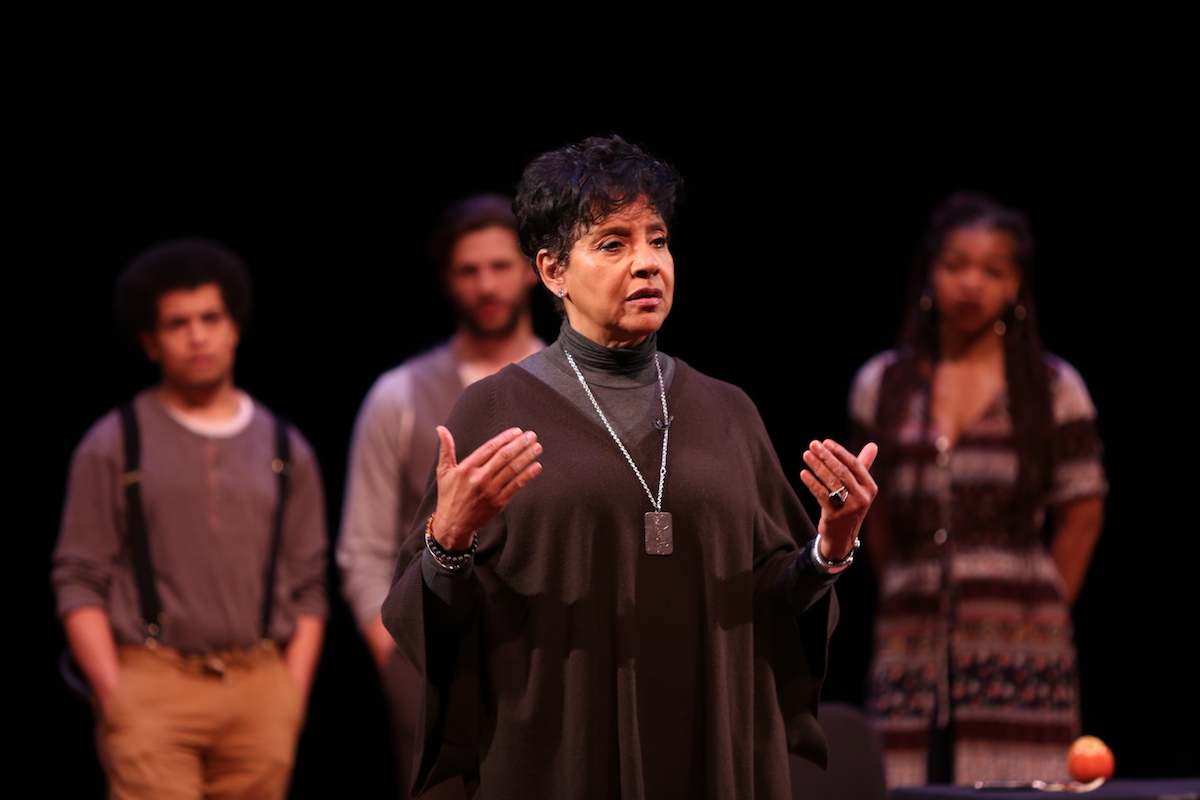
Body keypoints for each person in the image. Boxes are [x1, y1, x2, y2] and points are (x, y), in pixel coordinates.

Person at [381, 135, 879, 798]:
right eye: (613, 244)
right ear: (553, 271)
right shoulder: (494, 408)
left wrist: (829, 550)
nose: (647, 264)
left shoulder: (727, 411)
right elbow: (429, 621)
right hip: (563, 751)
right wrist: (449, 542)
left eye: (658, 240)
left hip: (713, 745)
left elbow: (771, 608)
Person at [51, 238, 328, 800]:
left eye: (210, 318)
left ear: (234, 327)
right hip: (154, 683)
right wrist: (116, 693)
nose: (197, 335)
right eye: (178, 323)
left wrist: (289, 696)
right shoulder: (114, 445)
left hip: (260, 686)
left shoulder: (283, 446)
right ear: (151, 342)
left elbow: (311, 584)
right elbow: (77, 576)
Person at [848, 193, 1107, 787]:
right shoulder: (882, 385)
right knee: (904, 780)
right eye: (957, 265)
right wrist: (902, 585)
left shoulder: (1052, 387)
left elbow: (1084, 510)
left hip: (1022, 636)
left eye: (993, 270)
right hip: (908, 636)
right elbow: (874, 513)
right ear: (931, 273)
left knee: (1020, 787)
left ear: (1015, 284)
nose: (971, 283)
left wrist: (1041, 614)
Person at [337, 194, 542, 798]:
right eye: (468, 270)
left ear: (534, 269)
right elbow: (364, 544)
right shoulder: (398, 396)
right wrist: (392, 647)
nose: (487, 284)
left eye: (501, 266)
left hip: (542, 656)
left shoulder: (571, 390)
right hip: (431, 662)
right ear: (447, 281)